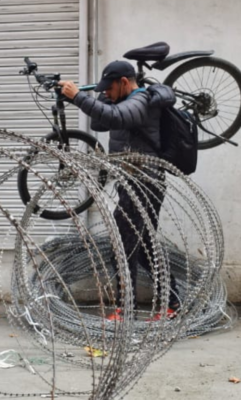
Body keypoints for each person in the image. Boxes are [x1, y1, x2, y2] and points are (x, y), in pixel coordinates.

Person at [58, 60, 180, 322]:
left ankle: (127, 309)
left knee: (124, 247)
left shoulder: (142, 100)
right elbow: (102, 122)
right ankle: (172, 305)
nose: (108, 93)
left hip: (143, 183)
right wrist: (84, 99)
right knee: (145, 246)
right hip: (134, 182)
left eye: (110, 89)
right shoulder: (124, 102)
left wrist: (79, 96)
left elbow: (115, 117)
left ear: (124, 82)